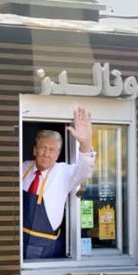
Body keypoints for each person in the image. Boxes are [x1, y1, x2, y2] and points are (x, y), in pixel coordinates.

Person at [21, 107, 96, 259]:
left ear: (57, 154)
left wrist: (85, 143)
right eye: (43, 148)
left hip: (45, 247)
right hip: (18, 241)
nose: (46, 154)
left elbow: (85, 169)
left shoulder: (63, 172)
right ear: (35, 150)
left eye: (52, 150)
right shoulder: (23, 167)